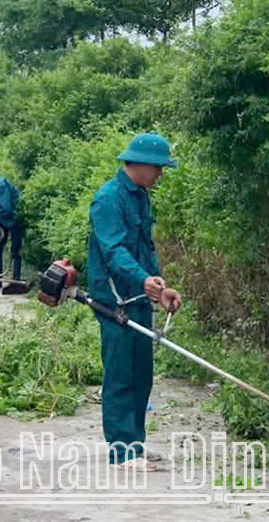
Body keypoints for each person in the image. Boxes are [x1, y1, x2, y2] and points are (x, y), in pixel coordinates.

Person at [87, 133, 182, 471]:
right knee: (120, 375)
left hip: (140, 298)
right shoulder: (108, 199)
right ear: (139, 164)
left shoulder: (141, 197)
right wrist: (141, 279)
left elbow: (145, 248)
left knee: (142, 373)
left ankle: (136, 446)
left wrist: (159, 285)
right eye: (158, 168)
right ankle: (121, 453)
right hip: (113, 300)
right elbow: (113, 252)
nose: (161, 174)